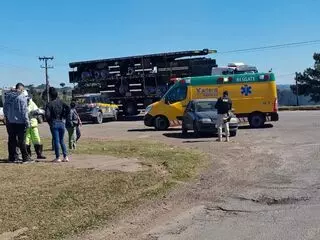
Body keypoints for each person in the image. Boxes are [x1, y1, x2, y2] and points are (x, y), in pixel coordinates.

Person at [3, 83, 33, 163]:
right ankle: (25, 158)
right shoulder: (22, 98)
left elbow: (5, 108)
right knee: (21, 140)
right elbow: (24, 111)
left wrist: (7, 117)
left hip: (10, 122)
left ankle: (12, 157)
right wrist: (27, 122)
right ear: (21, 89)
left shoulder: (8, 96)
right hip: (20, 122)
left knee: (11, 140)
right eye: (22, 90)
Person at [45, 87, 70, 162]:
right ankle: (65, 157)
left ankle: (58, 157)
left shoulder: (49, 104)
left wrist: (49, 122)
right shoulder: (61, 102)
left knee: (56, 140)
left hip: (54, 122)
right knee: (62, 140)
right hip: (61, 122)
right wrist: (64, 116)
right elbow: (68, 108)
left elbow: (47, 115)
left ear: (50, 95)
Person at [25, 93, 46, 160]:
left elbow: (37, 110)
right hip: (26, 124)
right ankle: (28, 154)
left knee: (37, 139)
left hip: (33, 124)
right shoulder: (21, 103)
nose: (27, 99)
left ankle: (39, 154)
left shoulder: (32, 103)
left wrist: (37, 112)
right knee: (26, 140)